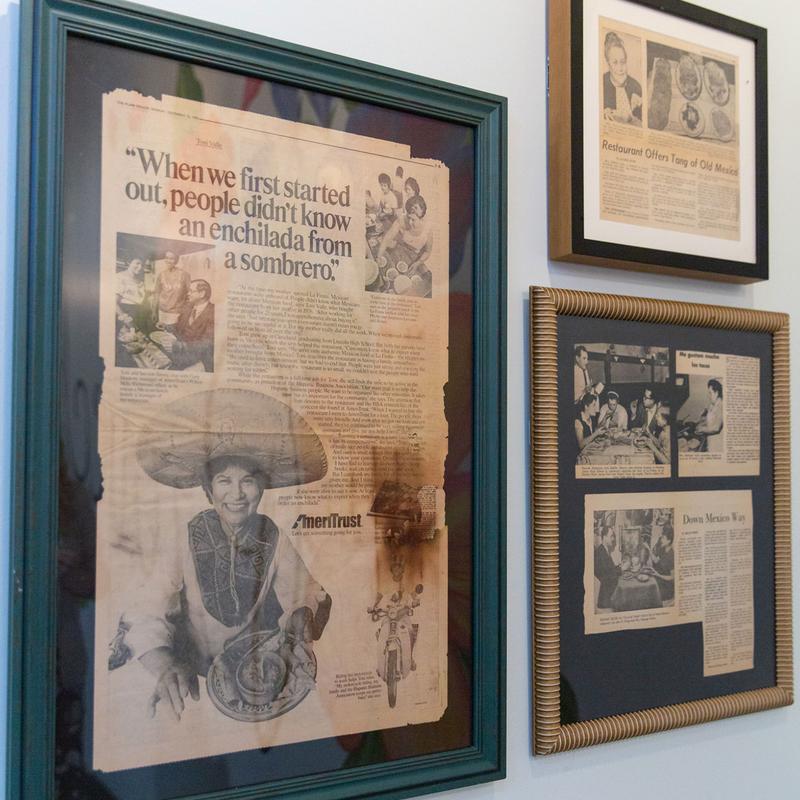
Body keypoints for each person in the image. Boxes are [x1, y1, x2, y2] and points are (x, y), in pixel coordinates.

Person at [112, 389, 331, 722]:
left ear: (261, 487)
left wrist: (302, 612)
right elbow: (146, 608)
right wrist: (165, 665)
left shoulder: (273, 536)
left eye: (248, 481)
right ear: (208, 489)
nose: (237, 494)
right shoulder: (184, 538)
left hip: (255, 676)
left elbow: (305, 590)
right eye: (224, 481)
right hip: (195, 682)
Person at [377, 195, 434, 275]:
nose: (410, 222)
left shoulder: (427, 229)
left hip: (417, 257)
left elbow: (427, 252)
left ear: (421, 219)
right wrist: (379, 256)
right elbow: (387, 239)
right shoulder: (402, 220)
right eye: (408, 218)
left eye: (413, 220)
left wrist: (417, 263)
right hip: (402, 250)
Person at [167, 279, 215, 372]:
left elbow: (207, 343)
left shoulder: (214, 312)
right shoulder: (188, 307)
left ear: (202, 294)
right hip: (180, 354)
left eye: (191, 291)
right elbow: (179, 326)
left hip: (199, 359)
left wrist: (181, 346)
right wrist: (167, 326)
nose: (188, 294)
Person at [602, 31, 642, 125]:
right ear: (608, 64)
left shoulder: (636, 86)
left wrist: (641, 105)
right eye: (615, 62)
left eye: (623, 62)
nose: (620, 68)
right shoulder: (601, 83)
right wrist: (602, 112)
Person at [154, 250, 190, 329]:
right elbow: (156, 293)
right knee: (162, 333)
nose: (168, 261)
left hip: (176, 313)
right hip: (162, 311)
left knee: (172, 333)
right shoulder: (161, 274)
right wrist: (154, 311)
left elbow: (190, 294)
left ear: (176, 260)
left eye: (171, 258)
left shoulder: (184, 275)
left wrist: (184, 311)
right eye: (166, 258)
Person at [594, 526, 629, 609]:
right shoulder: (600, 553)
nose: (613, 539)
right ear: (604, 537)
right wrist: (621, 569)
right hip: (606, 598)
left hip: (608, 593)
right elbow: (607, 576)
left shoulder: (604, 550)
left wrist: (619, 566)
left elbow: (609, 569)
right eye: (611, 536)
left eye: (613, 536)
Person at [695, 379, 724, 452]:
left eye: (710, 393)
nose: (708, 396)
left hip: (717, 443)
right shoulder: (713, 404)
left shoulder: (720, 406)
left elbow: (716, 428)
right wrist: (702, 421)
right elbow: (710, 420)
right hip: (710, 441)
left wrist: (701, 429)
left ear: (716, 393)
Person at [650, 524, 675, 605]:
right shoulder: (663, 548)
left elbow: (672, 577)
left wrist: (658, 575)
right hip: (659, 579)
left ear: (669, 541)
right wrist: (648, 549)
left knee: (650, 592)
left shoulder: (671, 556)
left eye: (663, 538)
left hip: (667, 587)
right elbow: (656, 561)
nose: (661, 540)